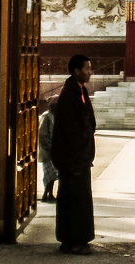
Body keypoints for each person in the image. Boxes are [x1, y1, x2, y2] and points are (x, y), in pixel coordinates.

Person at [51, 54, 96, 256]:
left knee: (81, 200)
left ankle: (79, 239)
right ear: (76, 71)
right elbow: (69, 131)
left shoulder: (81, 91)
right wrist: (74, 159)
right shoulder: (69, 95)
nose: (89, 72)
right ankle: (71, 241)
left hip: (81, 157)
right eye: (87, 68)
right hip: (72, 159)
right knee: (72, 201)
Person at [38, 94, 59, 202]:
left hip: (55, 150)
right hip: (48, 151)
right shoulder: (46, 116)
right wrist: (49, 146)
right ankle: (46, 194)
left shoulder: (57, 116)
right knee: (48, 174)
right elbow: (42, 134)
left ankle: (49, 193)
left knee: (54, 174)